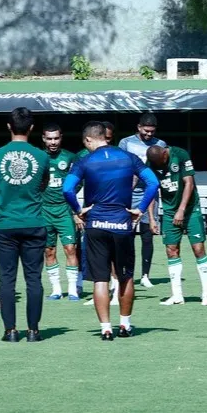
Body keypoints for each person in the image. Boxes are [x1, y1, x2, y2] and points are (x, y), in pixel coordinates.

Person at [63, 121, 160, 341]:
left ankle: (105, 328)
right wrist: (140, 209)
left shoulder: (85, 161)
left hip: (96, 225)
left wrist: (78, 210)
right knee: (126, 278)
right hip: (121, 224)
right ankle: (125, 325)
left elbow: (67, 189)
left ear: (88, 139)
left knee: (100, 280)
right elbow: (153, 183)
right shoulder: (128, 157)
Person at [0, 108, 50, 341]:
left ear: (8, 127)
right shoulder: (42, 156)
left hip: (5, 223)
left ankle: (10, 330)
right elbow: (43, 184)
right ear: (32, 128)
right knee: (34, 279)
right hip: (34, 221)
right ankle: (34, 330)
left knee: (7, 279)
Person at [146, 145, 207, 306]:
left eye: (161, 163)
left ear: (164, 154)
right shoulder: (152, 164)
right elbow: (151, 191)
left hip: (190, 209)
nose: (159, 167)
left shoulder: (180, 154)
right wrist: (152, 219)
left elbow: (189, 183)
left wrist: (181, 210)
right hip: (169, 212)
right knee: (171, 250)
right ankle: (177, 295)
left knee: (198, 249)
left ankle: (206, 294)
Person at [118, 113, 165, 288]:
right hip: (129, 194)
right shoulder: (126, 142)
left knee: (147, 235)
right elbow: (120, 166)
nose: (149, 135)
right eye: (146, 131)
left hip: (150, 193)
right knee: (126, 234)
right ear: (139, 127)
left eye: (152, 132)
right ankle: (127, 271)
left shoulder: (160, 144)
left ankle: (145, 274)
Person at [79, 122, 120, 306]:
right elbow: (72, 186)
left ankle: (117, 290)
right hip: (93, 212)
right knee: (97, 256)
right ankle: (102, 294)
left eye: (109, 138)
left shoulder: (118, 156)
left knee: (115, 256)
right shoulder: (83, 158)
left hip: (115, 213)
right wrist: (77, 211)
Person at [42, 123, 81, 301]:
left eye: (56, 138)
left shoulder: (70, 157)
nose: (53, 142)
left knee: (70, 248)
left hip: (65, 210)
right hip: (44, 211)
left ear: (61, 138)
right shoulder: (38, 158)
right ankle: (56, 289)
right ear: (43, 139)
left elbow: (79, 180)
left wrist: (71, 195)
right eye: (49, 138)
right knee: (49, 251)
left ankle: (73, 289)